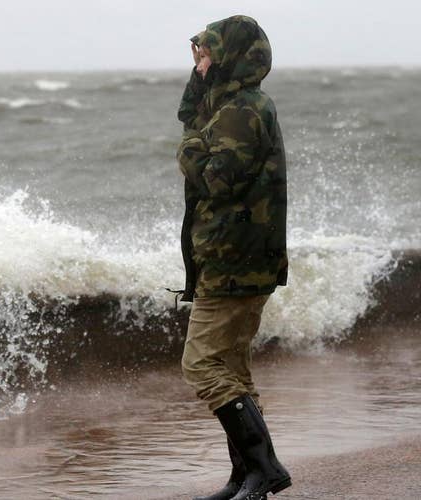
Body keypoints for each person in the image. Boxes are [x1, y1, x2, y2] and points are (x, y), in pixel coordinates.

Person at [175, 15, 291, 500]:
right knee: (233, 370)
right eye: (198, 52)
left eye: (206, 53)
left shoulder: (242, 109)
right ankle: (246, 477)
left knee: (200, 364)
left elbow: (218, 178)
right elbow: (192, 117)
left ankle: (265, 470)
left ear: (229, 56)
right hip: (235, 257)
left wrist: (187, 150)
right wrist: (200, 95)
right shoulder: (227, 106)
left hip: (235, 259)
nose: (199, 60)